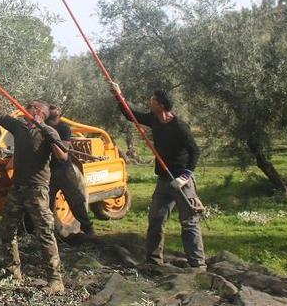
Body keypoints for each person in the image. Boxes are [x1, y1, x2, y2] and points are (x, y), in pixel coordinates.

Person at [0, 76, 66, 294]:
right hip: (18, 187)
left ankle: (55, 281)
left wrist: (50, 136)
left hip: (37, 190)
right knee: (7, 229)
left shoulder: (49, 132)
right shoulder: (19, 127)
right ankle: (13, 272)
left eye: (30, 107)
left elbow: (63, 156)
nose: (26, 108)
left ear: (39, 112)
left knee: (45, 233)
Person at [111, 85, 206, 269]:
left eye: (152, 100)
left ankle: (198, 265)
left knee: (189, 222)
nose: (149, 102)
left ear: (161, 105)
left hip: (181, 181)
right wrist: (118, 95)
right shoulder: (154, 119)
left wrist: (185, 176)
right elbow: (130, 114)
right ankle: (154, 261)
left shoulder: (179, 126)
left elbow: (195, 151)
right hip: (164, 180)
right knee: (156, 219)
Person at [46, 105, 95, 237]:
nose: (52, 108)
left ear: (60, 113)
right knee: (45, 204)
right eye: (50, 107)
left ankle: (88, 229)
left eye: (55, 107)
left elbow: (63, 153)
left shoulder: (64, 128)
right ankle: (49, 233)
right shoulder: (42, 125)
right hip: (47, 171)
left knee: (75, 200)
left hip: (64, 170)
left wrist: (52, 140)